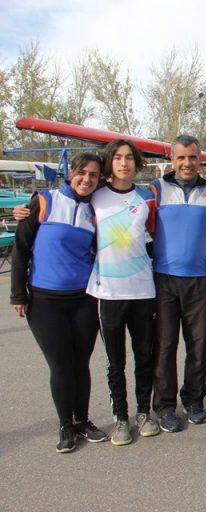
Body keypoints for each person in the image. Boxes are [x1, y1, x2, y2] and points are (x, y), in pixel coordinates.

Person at [10, 153, 107, 453]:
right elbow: (21, 249)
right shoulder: (44, 200)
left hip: (84, 299)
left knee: (81, 363)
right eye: (82, 173)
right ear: (70, 173)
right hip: (45, 301)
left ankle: (83, 420)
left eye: (93, 175)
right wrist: (18, 293)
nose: (87, 179)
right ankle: (65, 425)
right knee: (61, 364)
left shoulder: (97, 209)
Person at [151, 134, 206, 433]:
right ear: (172, 160)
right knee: (165, 345)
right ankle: (164, 406)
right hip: (164, 280)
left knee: (198, 345)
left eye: (193, 158)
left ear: (200, 160)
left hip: (200, 280)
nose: (187, 163)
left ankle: (194, 400)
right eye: (181, 158)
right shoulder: (156, 189)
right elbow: (118, 208)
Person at [88, 140, 160, 444]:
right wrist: (28, 211)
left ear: (137, 163)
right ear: (110, 162)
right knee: (115, 361)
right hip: (108, 292)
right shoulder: (95, 197)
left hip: (143, 289)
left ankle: (144, 412)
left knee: (145, 355)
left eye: (129, 158)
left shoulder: (147, 198)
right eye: (117, 157)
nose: (124, 163)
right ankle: (121, 418)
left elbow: (155, 237)